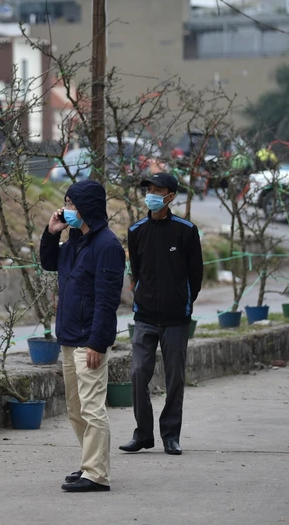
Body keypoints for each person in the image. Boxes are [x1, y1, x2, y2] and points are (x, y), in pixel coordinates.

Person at [40, 180, 126, 492]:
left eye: (72, 205)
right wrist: (52, 233)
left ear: (88, 207)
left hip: (89, 340)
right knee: (76, 410)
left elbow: (107, 299)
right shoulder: (75, 242)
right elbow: (49, 262)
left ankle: (96, 474)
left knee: (92, 408)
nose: (67, 210)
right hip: (69, 337)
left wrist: (97, 342)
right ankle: (90, 464)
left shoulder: (107, 246)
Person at [121, 172, 203, 456]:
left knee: (175, 378)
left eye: (158, 190)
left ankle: (171, 435)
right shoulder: (136, 231)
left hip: (176, 319)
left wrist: (183, 301)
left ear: (170, 196)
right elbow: (136, 271)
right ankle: (143, 434)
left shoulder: (186, 231)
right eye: (149, 189)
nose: (152, 194)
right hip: (144, 317)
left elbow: (196, 275)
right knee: (138, 373)